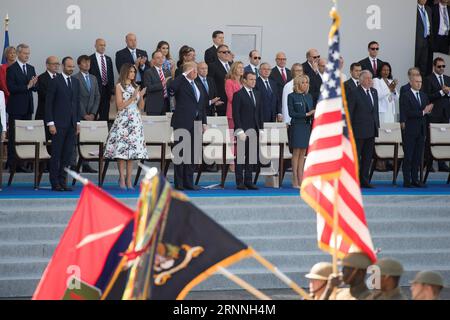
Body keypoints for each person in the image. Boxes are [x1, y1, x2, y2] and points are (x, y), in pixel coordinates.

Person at [104, 63, 148, 190]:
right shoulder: (119, 86)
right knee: (122, 151)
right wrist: (133, 97)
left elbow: (141, 107)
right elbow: (119, 106)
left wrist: (141, 96)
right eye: (131, 72)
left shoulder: (136, 86)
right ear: (125, 72)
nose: (133, 74)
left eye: (134, 72)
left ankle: (129, 179)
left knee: (132, 153)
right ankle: (122, 178)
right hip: (123, 119)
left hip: (135, 120)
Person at [169, 61, 207, 191]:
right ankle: (179, 183)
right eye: (194, 70)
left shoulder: (198, 84)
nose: (197, 72)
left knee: (192, 154)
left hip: (196, 123)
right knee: (180, 153)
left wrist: (204, 122)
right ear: (187, 71)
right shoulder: (181, 82)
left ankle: (189, 182)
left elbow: (202, 106)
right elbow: (171, 88)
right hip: (182, 122)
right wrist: (183, 74)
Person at [45, 57, 81, 192]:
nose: (71, 69)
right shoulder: (55, 81)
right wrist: (50, 123)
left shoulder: (76, 82)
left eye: (73, 67)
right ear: (62, 66)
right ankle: (55, 182)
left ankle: (63, 181)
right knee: (57, 154)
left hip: (72, 125)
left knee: (67, 155)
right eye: (69, 66)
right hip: (58, 124)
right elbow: (49, 104)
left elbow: (77, 104)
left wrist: (77, 122)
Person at [6, 43, 38, 173]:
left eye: (28, 53)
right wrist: (27, 86)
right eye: (25, 53)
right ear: (18, 54)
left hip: (28, 108)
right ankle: (12, 163)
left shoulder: (31, 68)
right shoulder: (11, 69)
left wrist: (35, 84)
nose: (27, 56)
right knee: (14, 137)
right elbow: (11, 88)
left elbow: (34, 88)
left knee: (25, 137)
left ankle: (22, 163)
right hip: (16, 108)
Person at [348, 70, 380, 189]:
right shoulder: (354, 92)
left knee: (367, 157)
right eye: (367, 78)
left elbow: (375, 111)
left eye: (371, 78)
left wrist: (377, 126)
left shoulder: (374, 92)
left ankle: (364, 180)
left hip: (371, 130)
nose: (370, 80)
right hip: (358, 130)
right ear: (361, 80)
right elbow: (350, 112)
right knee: (356, 157)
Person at [400, 73, 433, 188]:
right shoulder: (406, 95)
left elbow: (426, 113)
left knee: (418, 157)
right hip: (410, 130)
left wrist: (428, 111)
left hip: (421, 130)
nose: (419, 84)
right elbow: (408, 112)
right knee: (408, 156)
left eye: (420, 82)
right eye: (416, 82)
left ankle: (415, 179)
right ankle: (407, 181)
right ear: (411, 82)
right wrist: (423, 111)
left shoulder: (424, 95)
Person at [232, 71, 263, 190]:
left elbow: (260, 113)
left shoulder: (257, 94)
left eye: (254, 79)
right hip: (243, 131)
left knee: (251, 156)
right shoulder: (238, 94)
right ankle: (239, 182)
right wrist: (239, 131)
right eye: (251, 79)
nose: (253, 81)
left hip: (254, 129)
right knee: (240, 156)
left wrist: (261, 129)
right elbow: (236, 114)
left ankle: (249, 180)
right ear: (244, 80)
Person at [73, 55, 100, 173]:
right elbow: (76, 98)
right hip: (79, 115)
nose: (87, 64)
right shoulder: (75, 78)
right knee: (75, 140)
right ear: (79, 64)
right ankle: (73, 164)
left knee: (87, 140)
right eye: (84, 62)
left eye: (88, 62)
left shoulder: (94, 78)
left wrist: (93, 113)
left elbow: (97, 96)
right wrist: (84, 114)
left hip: (91, 115)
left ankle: (86, 164)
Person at [288, 75, 315, 188]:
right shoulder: (292, 96)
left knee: (303, 153)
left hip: (306, 126)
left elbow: (310, 111)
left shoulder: (309, 96)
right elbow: (291, 113)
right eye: (303, 82)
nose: (305, 84)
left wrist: (313, 114)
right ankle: (295, 179)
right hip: (297, 126)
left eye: (307, 82)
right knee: (296, 153)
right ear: (298, 84)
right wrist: (306, 114)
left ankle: (301, 177)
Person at [424, 57, 450, 171]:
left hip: (445, 113)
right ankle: (428, 163)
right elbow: (427, 96)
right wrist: (441, 92)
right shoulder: (428, 79)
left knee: (443, 138)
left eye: (443, 66)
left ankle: (442, 163)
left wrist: (448, 92)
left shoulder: (448, 78)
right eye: (439, 66)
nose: (441, 68)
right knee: (431, 138)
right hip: (433, 113)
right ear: (434, 66)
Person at [89, 38, 115, 122]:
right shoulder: (90, 59)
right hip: (94, 92)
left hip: (106, 92)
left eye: (104, 45)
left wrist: (112, 92)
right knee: (93, 115)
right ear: (95, 46)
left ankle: (104, 134)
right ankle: (92, 135)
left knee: (104, 117)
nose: (103, 47)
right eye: (100, 45)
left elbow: (111, 76)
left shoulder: (108, 59)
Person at [143, 51, 171, 115]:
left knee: (166, 124)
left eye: (162, 57)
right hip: (154, 106)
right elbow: (148, 88)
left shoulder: (167, 71)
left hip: (166, 104)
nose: (161, 59)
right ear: (153, 60)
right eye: (158, 58)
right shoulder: (148, 72)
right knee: (153, 125)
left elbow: (169, 87)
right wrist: (162, 83)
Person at [208, 44, 233, 116]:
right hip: (221, 101)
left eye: (228, 52)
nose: (227, 54)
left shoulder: (232, 65)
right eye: (224, 52)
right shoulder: (213, 66)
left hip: (233, 101)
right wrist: (214, 99)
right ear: (218, 54)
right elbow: (210, 84)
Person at [36, 56, 60, 121]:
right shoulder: (41, 78)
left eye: (57, 64)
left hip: (59, 114)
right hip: (45, 114)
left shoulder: (61, 77)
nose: (56, 66)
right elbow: (44, 95)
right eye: (54, 64)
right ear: (47, 65)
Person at [416, 0, 433, 77]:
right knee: (415, 62)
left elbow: (430, 23)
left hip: (426, 40)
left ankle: (421, 83)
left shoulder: (428, 9)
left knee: (423, 64)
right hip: (416, 41)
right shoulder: (414, 8)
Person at [225, 61, 244, 130]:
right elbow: (231, 98)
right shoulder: (229, 81)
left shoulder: (244, 82)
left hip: (243, 113)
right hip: (233, 112)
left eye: (242, 68)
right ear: (234, 69)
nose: (242, 69)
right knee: (232, 136)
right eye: (239, 67)